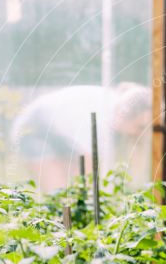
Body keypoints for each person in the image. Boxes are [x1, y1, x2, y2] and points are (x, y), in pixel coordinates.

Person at [10, 82, 152, 192]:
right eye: (140, 127)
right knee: (59, 194)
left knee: (73, 188)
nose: (140, 134)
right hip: (33, 130)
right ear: (123, 116)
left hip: (60, 136)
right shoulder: (100, 119)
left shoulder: (119, 106)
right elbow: (89, 170)